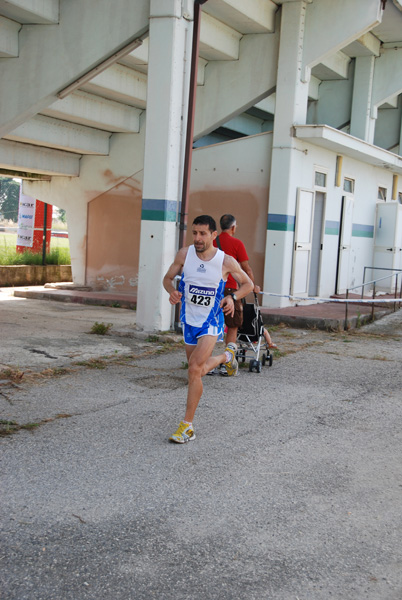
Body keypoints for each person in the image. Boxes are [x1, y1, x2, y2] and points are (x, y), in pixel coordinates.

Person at [163, 214, 253, 444]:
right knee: (198, 370)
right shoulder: (184, 254)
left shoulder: (225, 261)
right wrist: (171, 291)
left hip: (211, 322)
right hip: (189, 322)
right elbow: (167, 278)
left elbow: (248, 285)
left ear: (214, 235)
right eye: (194, 233)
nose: (198, 238)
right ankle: (226, 356)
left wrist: (232, 297)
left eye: (203, 233)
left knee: (194, 369)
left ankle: (187, 426)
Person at [213, 214, 259, 346]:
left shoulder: (212, 242)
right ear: (233, 228)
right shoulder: (237, 243)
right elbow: (246, 268)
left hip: (213, 287)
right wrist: (250, 285)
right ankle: (228, 358)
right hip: (230, 289)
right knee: (233, 324)